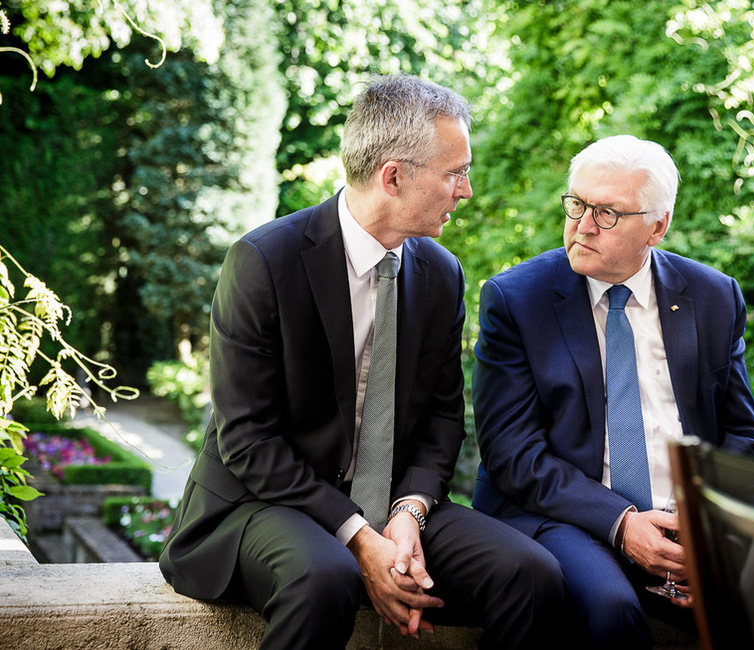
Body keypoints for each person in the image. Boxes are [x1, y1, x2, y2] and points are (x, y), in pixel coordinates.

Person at [159, 74, 566, 650]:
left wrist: (410, 512)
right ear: (393, 177)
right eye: (455, 173)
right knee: (326, 577)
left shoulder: (441, 274)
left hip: (394, 504)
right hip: (263, 504)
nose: (467, 191)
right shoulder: (262, 262)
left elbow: (444, 420)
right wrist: (357, 536)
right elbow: (248, 440)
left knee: (532, 574)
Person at [471, 134, 754, 648]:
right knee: (611, 613)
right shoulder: (517, 299)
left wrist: (705, 530)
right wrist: (622, 522)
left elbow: (742, 436)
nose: (583, 226)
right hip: (564, 515)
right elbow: (511, 455)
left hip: (683, 521)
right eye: (577, 204)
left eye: (607, 213)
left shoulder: (713, 296)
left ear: (658, 226)